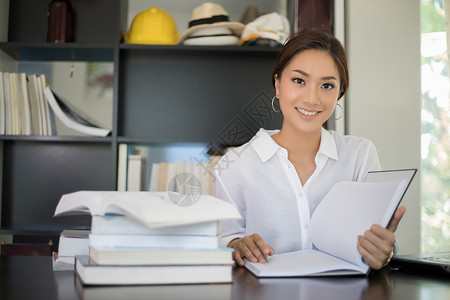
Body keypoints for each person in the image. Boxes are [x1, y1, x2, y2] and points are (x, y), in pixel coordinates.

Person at [213, 29, 406, 270]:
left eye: (326, 85)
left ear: (339, 93)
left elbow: (379, 242)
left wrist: (384, 253)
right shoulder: (235, 165)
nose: (312, 98)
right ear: (277, 83)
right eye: (299, 81)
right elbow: (224, 243)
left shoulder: (359, 155)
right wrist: (237, 246)